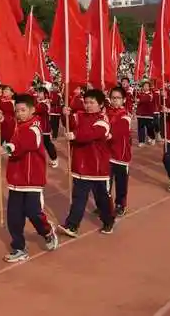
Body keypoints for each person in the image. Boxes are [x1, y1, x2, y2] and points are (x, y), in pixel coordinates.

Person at [0, 94, 60, 261]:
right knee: (14, 217)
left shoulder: (35, 128)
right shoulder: (17, 125)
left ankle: (47, 231)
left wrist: (8, 148)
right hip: (15, 181)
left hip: (32, 180)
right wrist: (0, 118)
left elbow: (26, 143)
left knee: (34, 212)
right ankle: (19, 247)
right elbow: (7, 128)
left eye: (23, 110)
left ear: (32, 110)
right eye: (17, 110)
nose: (20, 113)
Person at [59, 89, 114, 237]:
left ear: (101, 104)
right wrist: (65, 115)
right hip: (80, 166)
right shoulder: (79, 116)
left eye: (92, 102)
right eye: (86, 102)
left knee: (102, 199)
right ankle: (72, 225)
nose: (88, 105)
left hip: (97, 168)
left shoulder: (103, 120)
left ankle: (108, 221)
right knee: (79, 198)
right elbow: (69, 124)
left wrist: (75, 135)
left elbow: (93, 133)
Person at [106, 87, 132, 216]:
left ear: (124, 100)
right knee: (106, 183)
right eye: (113, 98)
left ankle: (120, 204)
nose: (115, 101)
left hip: (121, 156)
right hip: (107, 155)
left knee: (121, 184)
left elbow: (120, 131)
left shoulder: (125, 116)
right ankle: (105, 204)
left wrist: (108, 135)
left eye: (118, 98)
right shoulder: (106, 113)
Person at [34, 86, 59, 167]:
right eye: (38, 92)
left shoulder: (44, 103)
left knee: (47, 144)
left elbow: (37, 110)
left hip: (44, 127)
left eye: (40, 93)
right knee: (39, 144)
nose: (38, 94)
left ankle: (54, 159)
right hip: (39, 126)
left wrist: (36, 103)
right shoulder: (41, 102)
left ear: (45, 94)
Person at [135, 81, 156, 146]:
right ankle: (141, 141)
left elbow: (146, 99)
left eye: (147, 86)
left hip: (149, 114)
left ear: (149, 87)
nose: (145, 87)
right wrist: (136, 100)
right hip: (140, 113)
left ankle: (152, 138)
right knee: (141, 128)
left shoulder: (151, 94)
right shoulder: (139, 94)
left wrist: (139, 100)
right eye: (144, 86)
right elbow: (136, 100)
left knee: (150, 128)